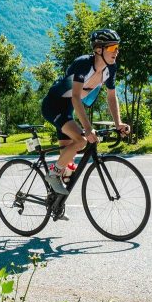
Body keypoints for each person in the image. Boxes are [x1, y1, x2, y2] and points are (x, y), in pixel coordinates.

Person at [40, 28, 131, 197]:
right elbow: (75, 96)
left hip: (68, 109)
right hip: (53, 106)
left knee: (67, 171)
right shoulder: (83, 64)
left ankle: (55, 205)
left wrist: (118, 123)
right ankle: (52, 173)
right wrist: (87, 128)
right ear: (98, 49)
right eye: (112, 48)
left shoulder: (110, 69)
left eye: (117, 48)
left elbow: (111, 96)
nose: (116, 52)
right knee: (81, 141)